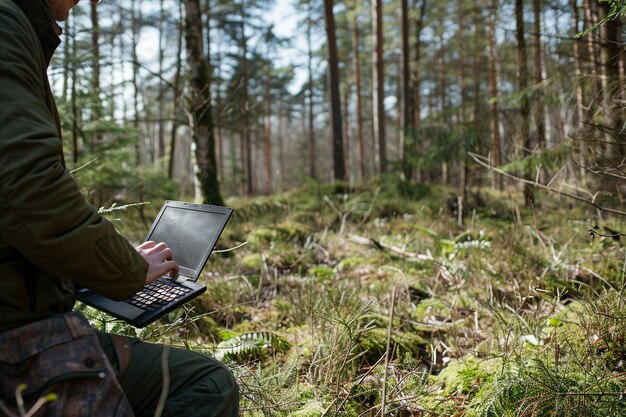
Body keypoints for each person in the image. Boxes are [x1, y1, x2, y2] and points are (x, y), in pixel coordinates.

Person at [0, 0, 239, 416]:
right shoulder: (5, 21)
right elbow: (27, 188)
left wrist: (100, 268)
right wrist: (126, 271)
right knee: (208, 385)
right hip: (14, 339)